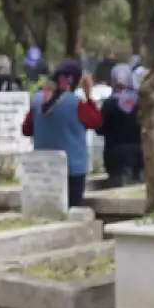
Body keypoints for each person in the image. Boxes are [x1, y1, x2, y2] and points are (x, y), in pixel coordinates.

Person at [21, 59, 103, 208]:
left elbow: (26, 130)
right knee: (73, 209)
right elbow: (97, 122)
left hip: (44, 167)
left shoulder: (37, 100)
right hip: (73, 168)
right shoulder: (77, 103)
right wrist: (89, 96)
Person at [99, 64, 144, 188]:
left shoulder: (108, 104)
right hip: (136, 151)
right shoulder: (139, 103)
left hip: (114, 153)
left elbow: (100, 129)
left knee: (116, 185)